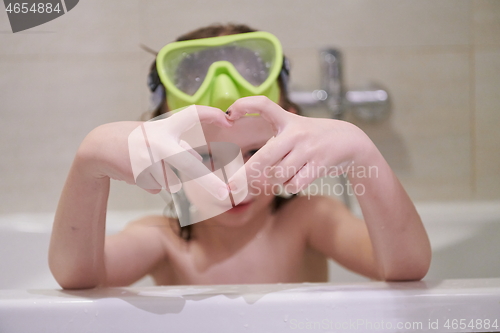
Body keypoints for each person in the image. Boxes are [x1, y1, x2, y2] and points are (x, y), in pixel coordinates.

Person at [48, 24, 431, 289]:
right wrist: (90, 161)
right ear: (156, 154)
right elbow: (78, 278)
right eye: (204, 157)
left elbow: (405, 268)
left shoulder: (308, 221)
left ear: (293, 137)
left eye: (255, 151)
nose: (236, 180)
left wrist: (362, 151)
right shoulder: (165, 241)